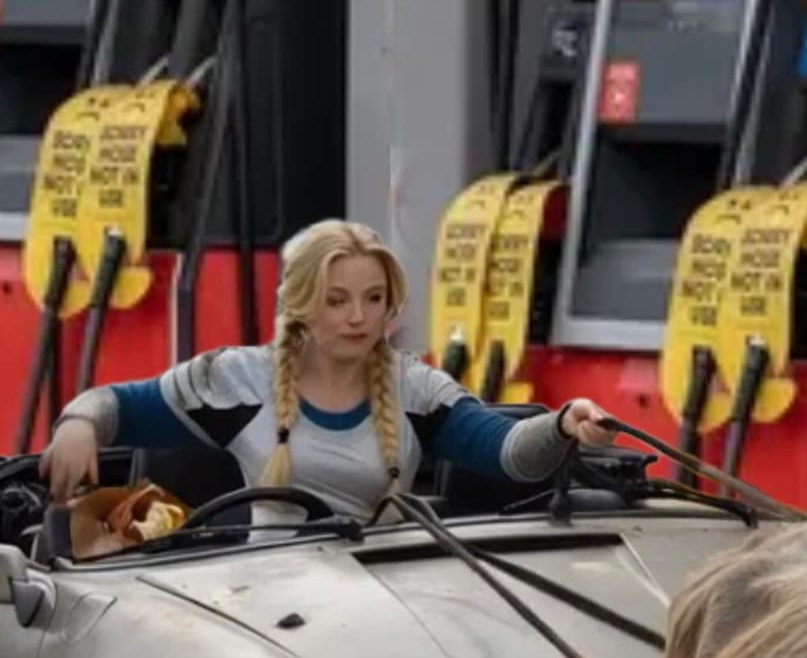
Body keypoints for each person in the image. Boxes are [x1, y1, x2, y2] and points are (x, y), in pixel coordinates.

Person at [40, 218, 618, 523]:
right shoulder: (237, 380)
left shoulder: (417, 389)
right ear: (300, 304)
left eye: (373, 299)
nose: (358, 317)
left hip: (387, 605)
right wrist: (78, 425)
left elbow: (508, 451)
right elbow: (116, 405)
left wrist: (563, 423)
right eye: (337, 300)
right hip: (267, 611)